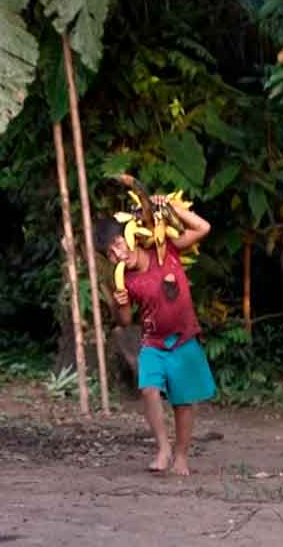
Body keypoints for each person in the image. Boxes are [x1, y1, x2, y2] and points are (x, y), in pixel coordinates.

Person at [95, 197, 215, 476]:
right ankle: (163, 448)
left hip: (184, 338)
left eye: (118, 244)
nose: (118, 254)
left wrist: (169, 209)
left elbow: (203, 227)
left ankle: (182, 457)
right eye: (110, 253)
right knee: (148, 388)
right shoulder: (123, 278)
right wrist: (119, 303)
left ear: (130, 234)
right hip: (153, 342)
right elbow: (125, 322)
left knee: (183, 402)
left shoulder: (165, 249)